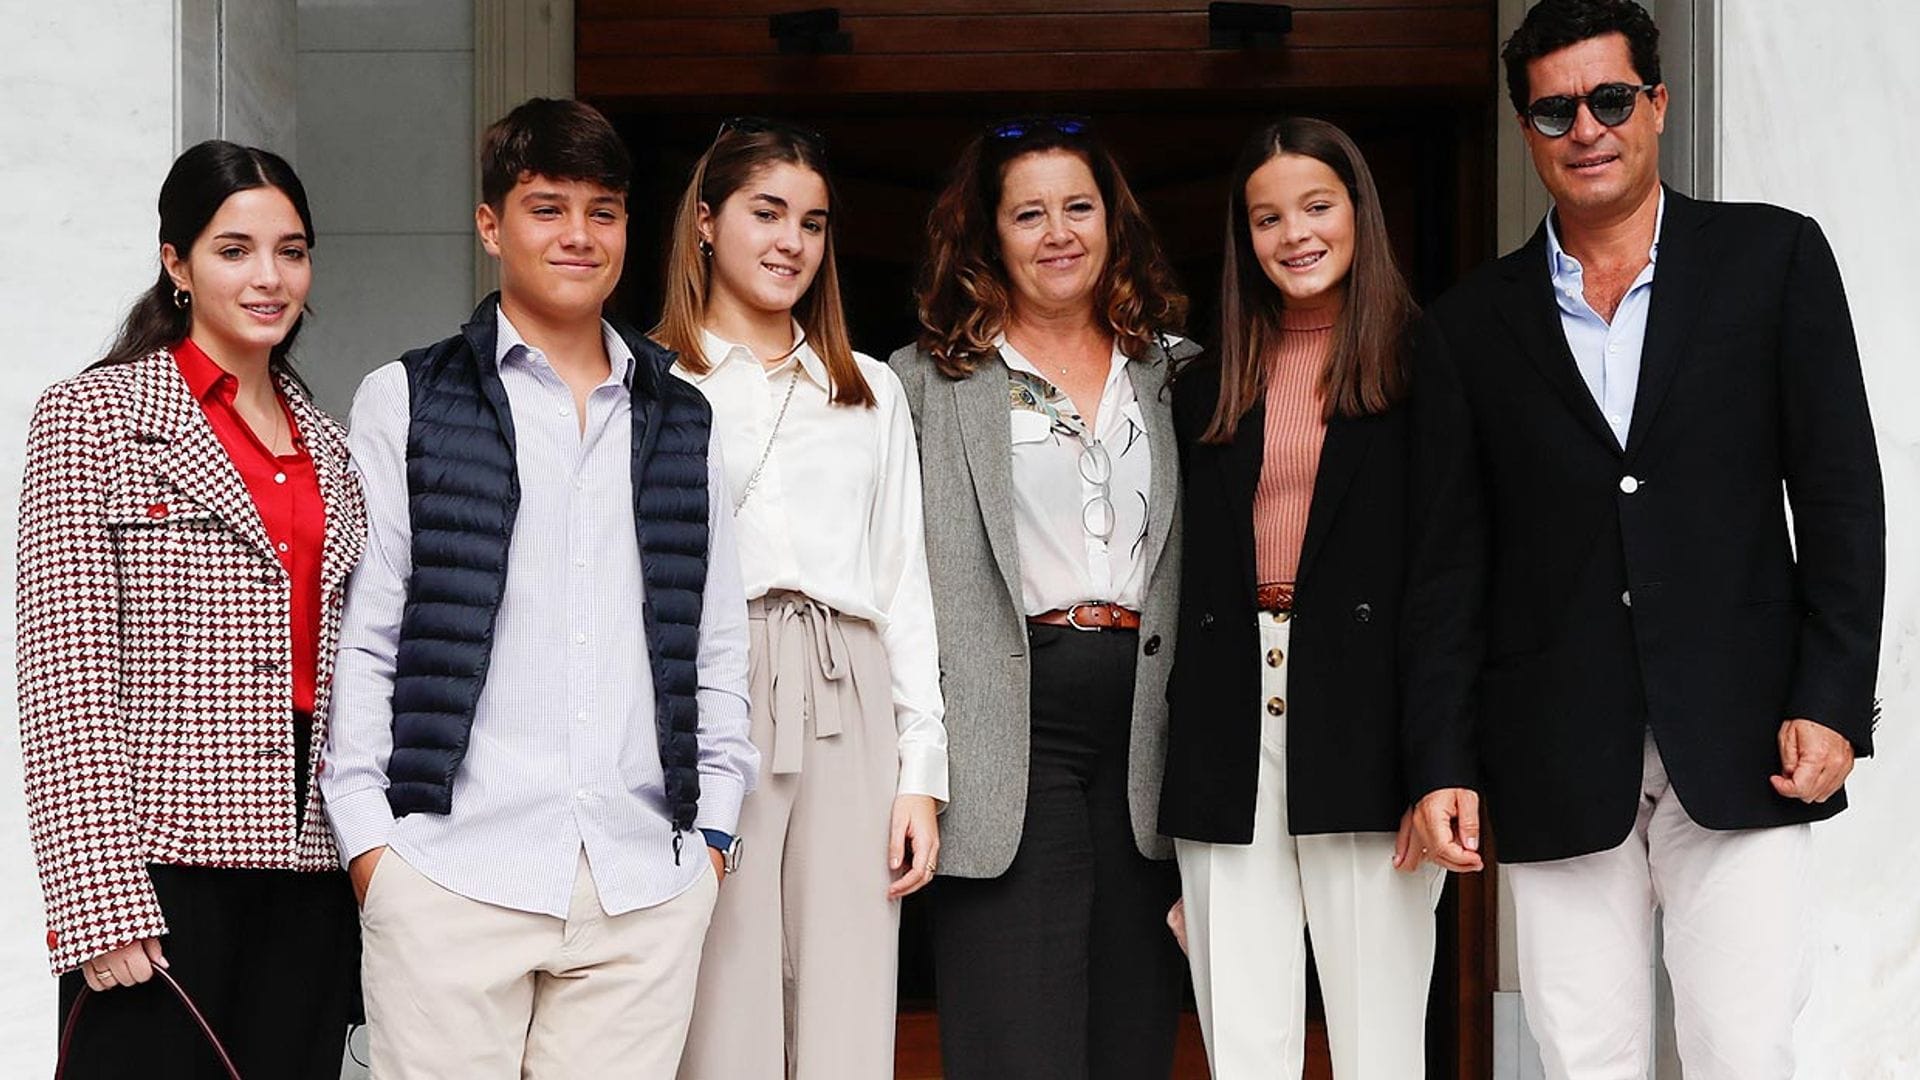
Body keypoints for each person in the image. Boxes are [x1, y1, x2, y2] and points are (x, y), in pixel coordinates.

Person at [1402, 2, 1884, 1077]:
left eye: (1611, 99)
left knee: (1743, 1048)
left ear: (1657, 106)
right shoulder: (1470, 326)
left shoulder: (1773, 258)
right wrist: (1443, 755)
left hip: (1747, 727)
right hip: (1554, 743)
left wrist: (1835, 695)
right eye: (1556, 108)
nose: (1588, 128)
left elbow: (1843, 495)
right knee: (1584, 1056)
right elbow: (1448, 564)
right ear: (1528, 128)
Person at [320, 98, 759, 1078]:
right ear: (490, 225)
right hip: (448, 874)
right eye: (546, 207)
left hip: (641, 885)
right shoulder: (409, 397)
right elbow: (371, 627)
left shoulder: (682, 418)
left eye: (602, 211)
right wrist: (372, 850)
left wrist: (713, 835)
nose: (578, 235)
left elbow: (715, 637)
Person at [17, 139, 365, 1078]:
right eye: (234, 249)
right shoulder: (92, 418)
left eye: (292, 251)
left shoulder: (333, 448)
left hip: (310, 867)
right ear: (176, 262)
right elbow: (63, 674)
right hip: (161, 871)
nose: (269, 277)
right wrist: (97, 901)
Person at [891, 115, 1193, 1080]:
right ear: (989, 235)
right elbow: (895, 581)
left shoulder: (1182, 373)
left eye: (1079, 207)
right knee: (1016, 1038)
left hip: (1153, 723)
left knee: (1133, 1036)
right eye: (1030, 214)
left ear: (1114, 223)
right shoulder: (923, 384)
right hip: (1009, 724)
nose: (1059, 232)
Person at [657, 118, 946, 1080]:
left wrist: (920, 771)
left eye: (813, 223)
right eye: (766, 213)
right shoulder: (655, 380)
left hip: (847, 683)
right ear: (706, 221)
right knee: (719, 987)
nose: (791, 242)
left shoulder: (866, 388)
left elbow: (904, 579)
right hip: (711, 683)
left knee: (850, 986)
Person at [1159, 117, 1444, 1080]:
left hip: (1369, 722)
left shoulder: (1424, 365)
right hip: (1228, 723)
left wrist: (1436, 762)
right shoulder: (1200, 388)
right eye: (1267, 217)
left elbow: (1450, 577)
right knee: (1243, 1039)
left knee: (1378, 1038)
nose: (1295, 235)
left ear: (1359, 211)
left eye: (1316, 206)